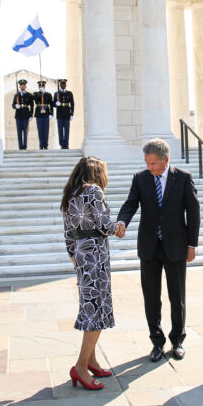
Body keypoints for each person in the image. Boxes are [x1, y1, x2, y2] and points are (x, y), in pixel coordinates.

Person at [116, 138, 200, 362]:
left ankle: (178, 340)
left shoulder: (182, 178)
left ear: (166, 160)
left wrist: (192, 244)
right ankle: (156, 341)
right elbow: (130, 203)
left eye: (153, 163)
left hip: (176, 246)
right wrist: (122, 222)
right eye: (147, 163)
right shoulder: (140, 179)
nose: (150, 168)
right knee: (151, 297)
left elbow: (193, 213)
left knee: (177, 297)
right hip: (149, 247)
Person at [61, 156, 125, 390]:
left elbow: (67, 232)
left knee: (91, 305)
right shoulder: (94, 191)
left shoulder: (71, 193)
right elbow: (103, 224)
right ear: (97, 173)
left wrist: (74, 256)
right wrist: (119, 228)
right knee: (94, 310)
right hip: (95, 255)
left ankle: (91, 360)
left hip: (80, 255)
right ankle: (79, 367)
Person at [12, 79, 34, 150]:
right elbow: (13, 105)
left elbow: (31, 106)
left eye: (24, 85)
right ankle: (20, 146)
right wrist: (16, 106)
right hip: (18, 115)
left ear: (25, 86)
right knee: (19, 131)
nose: (23, 86)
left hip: (25, 115)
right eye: (21, 85)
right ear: (19, 86)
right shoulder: (16, 95)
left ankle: (25, 145)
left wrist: (31, 115)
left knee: (25, 131)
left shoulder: (29, 95)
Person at [54, 79, 74, 149]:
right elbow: (53, 104)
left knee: (66, 129)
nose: (63, 85)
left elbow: (72, 104)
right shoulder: (56, 93)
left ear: (65, 85)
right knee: (60, 129)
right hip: (59, 113)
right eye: (61, 84)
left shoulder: (69, 93)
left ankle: (66, 143)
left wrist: (72, 114)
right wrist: (56, 104)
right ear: (60, 85)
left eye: (64, 84)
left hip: (66, 113)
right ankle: (61, 143)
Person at [33, 80, 53, 149]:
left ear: (44, 86)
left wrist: (51, 113)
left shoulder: (48, 94)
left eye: (42, 86)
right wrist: (40, 93)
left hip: (46, 113)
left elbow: (51, 104)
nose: (41, 87)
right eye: (40, 86)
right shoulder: (36, 94)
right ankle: (41, 144)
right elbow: (35, 100)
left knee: (46, 130)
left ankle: (46, 144)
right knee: (40, 130)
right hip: (39, 113)